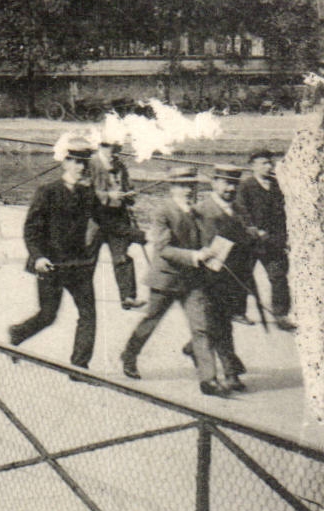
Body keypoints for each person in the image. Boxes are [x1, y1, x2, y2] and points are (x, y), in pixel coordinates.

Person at [118, 168, 227, 395]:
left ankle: (208, 380)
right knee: (151, 321)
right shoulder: (163, 212)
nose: (188, 190)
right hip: (166, 279)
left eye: (192, 185)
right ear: (172, 187)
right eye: (183, 185)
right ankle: (129, 354)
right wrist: (195, 256)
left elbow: (206, 238)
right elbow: (163, 249)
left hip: (193, 280)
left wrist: (212, 251)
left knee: (201, 327)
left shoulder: (196, 212)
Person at [8, 143, 103, 371]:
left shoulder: (88, 193)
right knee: (48, 315)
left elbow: (106, 222)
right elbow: (31, 230)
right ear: (65, 163)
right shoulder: (48, 191)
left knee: (88, 314)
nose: (81, 168)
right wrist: (38, 257)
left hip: (78, 266)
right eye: (76, 162)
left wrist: (140, 235)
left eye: (85, 163)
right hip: (51, 265)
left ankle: (79, 367)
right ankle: (18, 333)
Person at [195, 165, 252, 390]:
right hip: (208, 277)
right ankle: (231, 373)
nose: (231, 188)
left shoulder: (238, 209)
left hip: (233, 277)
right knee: (220, 324)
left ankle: (194, 348)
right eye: (226, 183)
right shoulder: (201, 210)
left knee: (220, 323)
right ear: (214, 183)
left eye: (234, 183)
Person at [235, 149, 294, 330]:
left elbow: (284, 213)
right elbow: (241, 212)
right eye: (263, 163)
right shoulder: (245, 186)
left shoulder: (277, 186)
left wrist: (285, 238)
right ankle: (238, 312)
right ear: (253, 166)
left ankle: (281, 315)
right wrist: (253, 230)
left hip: (273, 242)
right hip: (251, 242)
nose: (268, 167)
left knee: (278, 277)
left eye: (270, 163)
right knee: (244, 275)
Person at [89, 135, 143, 309]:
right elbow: (83, 191)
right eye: (113, 149)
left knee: (122, 257)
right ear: (102, 147)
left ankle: (128, 297)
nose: (115, 153)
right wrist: (107, 195)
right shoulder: (90, 164)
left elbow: (128, 185)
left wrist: (130, 194)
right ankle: (79, 294)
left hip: (118, 218)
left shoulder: (119, 165)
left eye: (117, 149)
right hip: (95, 219)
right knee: (88, 257)